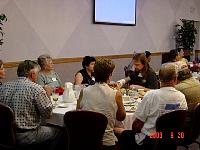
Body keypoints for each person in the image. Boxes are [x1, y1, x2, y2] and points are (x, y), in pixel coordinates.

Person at [117, 63, 188, 150]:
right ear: (175, 79)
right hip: (173, 138)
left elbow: (136, 125)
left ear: (159, 79)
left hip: (150, 141)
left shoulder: (151, 95)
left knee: (117, 130)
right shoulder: (182, 97)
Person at [0, 60, 64, 150]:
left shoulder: (3, 87)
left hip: (6, 134)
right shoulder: (36, 88)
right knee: (59, 131)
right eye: (37, 73)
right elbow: (47, 114)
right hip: (26, 135)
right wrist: (48, 95)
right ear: (32, 74)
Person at [77, 58, 126, 150]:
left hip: (85, 141)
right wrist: (118, 93)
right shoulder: (115, 94)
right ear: (110, 75)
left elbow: (78, 112)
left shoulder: (84, 91)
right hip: (106, 143)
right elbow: (121, 117)